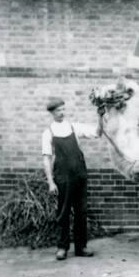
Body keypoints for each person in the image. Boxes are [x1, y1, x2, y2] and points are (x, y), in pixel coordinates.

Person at [42, 98, 98, 260]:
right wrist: (51, 182)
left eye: (63, 109)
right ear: (52, 113)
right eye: (58, 110)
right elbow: (46, 158)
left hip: (80, 176)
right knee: (63, 212)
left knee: (81, 212)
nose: (62, 113)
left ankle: (81, 247)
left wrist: (101, 117)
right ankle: (62, 247)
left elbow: (97, 132)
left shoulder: (74, 127)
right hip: (62, 177)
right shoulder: (48, 132)